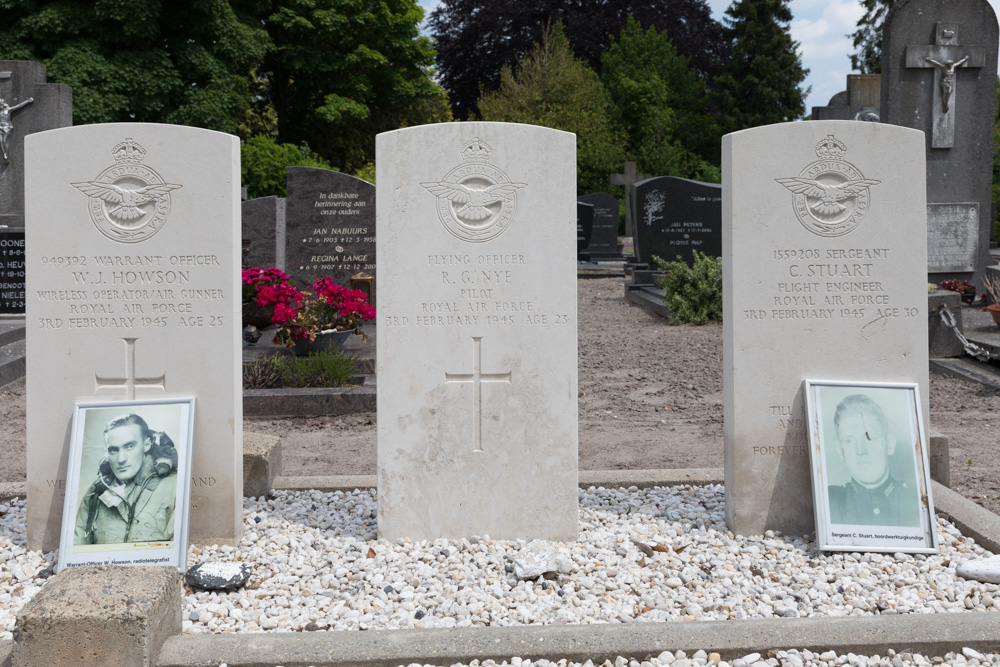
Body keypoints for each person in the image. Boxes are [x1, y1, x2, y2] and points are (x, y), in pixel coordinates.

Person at [74, 413, 178, 545]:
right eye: (113, 450)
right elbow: (78, 547)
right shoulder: (97, 490)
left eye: (129, 446)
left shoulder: (174, 488)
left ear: (147, 444)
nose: (121, 459)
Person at [827, 394, 920, 527]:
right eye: (848, 441)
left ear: (890, 444)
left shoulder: (913, 498)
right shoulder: (831, 502)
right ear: (840, 450)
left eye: (869, 438)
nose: (860, 451)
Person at [0, 97, 33, 162]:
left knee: (5, 140)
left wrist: (28, 101)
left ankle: (6, 154)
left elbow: (18, 106)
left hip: (7, 127)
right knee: (1, 141)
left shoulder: (8, 110)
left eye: (1, 103)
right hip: (0, 128)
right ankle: (5, 153)